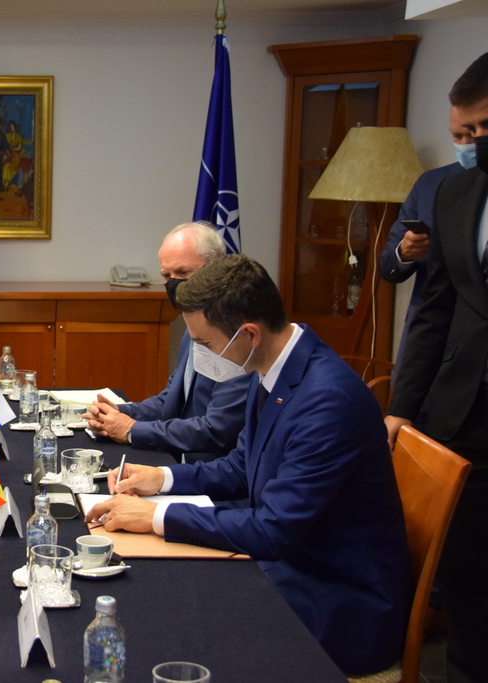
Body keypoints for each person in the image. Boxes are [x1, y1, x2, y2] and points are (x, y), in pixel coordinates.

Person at [86, 254, 410, 676]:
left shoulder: (327, 401)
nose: (200, 356)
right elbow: (240, 466)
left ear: (250, 334)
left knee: (175, 616)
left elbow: (274, 529)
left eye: (205, 344)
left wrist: (155, 517)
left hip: (339, 599)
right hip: (293, 564)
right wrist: (161, 478)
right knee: (168, 594)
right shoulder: (276, 367)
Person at [385, 51, 488, 683]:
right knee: (467, 578)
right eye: (465, 132)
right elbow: (432, 312)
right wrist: (400, 407)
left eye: (482, 129)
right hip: (462, 411)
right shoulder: (453, 191)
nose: (472, 143)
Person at [86, 222, 249, 463]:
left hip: (213, 469)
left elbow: (217, 429)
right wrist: (118, 412)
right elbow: (172, 401)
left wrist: (131, 429)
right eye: (166, 276)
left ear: (215, 270)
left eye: (183, 273)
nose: (174, 284)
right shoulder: (191, 329)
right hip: (180, 458)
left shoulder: (236, 337)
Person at [377, 106, 474, 380]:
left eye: (471, 135)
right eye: (456, 136)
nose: (465, 144)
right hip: (426, 343)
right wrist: (405, 253)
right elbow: (387, 265)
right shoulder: (430, 184)